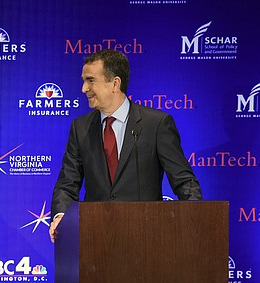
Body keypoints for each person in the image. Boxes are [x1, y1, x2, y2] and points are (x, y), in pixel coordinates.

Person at [49, 49, 202, 243]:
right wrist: (61, 216)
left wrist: (195, 220)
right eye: (84, 80)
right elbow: (67, 183)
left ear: (115, 83)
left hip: (146, 239)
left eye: (90, 80)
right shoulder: (80, 128)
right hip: (96, 240)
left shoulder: (156, 124)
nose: (83, 88)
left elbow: (184, 181)